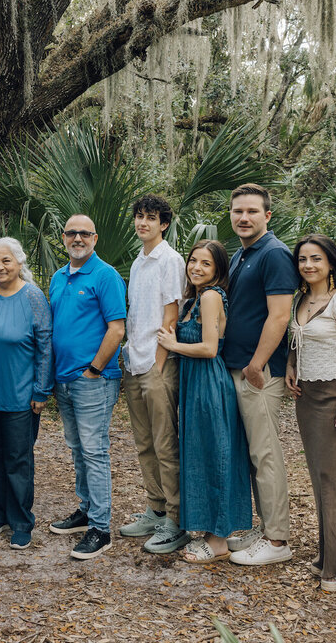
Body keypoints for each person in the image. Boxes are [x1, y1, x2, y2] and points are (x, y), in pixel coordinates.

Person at [157, 240, 252, 563]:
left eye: (206, 264)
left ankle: (218, 540)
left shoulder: (211, 296)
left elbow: (210, 348)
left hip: (209, 384)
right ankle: (211, 531)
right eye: (193, 261)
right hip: (193, 384)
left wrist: (172, 344)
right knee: (200, 455)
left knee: (216, 457)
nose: (196, 267)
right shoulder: (194, 299)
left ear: (218, 271)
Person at [285, 234, 336, 592]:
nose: (308, 265)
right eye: (302, 259)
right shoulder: (300, 299)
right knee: (320, 479)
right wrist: (291, 364)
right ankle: (333, 553)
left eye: (316, 258)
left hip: (334, 396)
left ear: (330, 262)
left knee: (333, 480)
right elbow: (298, 337)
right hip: (306, 396)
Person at [222, 184, 295, 566]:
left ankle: (278, 541)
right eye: (238, 211)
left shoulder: (275, 254)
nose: (244, 217)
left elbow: (279, 314)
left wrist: (256, 363)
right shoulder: (240, 255)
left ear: (268, 215)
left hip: (259, 373)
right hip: (236, 367)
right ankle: (262, 527)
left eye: (252, 211)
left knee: (265, 453)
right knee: (250, 454)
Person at [47, 214, 127, 560]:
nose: (77, 238)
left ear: (94, 238)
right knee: (78, 448)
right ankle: (85, 511)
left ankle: (100, 528)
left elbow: (117, 328)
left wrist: (93, 370)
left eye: (84, 233)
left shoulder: (105, 275)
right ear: (63, 238)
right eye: (71, 233)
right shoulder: (58, 277)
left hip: (93, 380)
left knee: (94, 450)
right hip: (64, 380)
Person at [119, 195, 189, 555]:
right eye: (139, 217)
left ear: (164, 224)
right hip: (134, 362)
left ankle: (176, 520)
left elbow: (171, 315)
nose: (142, 223)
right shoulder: (137, 262)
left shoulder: (170, 260)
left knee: (165, 444)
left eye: (150, 218)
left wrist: (159, 365)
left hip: (157, 365)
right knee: (144, 443)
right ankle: (156, 507)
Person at [0, 237, 53, 551]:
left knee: (18, 460)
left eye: (6, 261)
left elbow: (45, 347)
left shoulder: (33, 297)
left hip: (21, 396)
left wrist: (41, 389)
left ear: (19, 263)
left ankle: (21, 521)